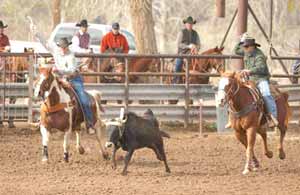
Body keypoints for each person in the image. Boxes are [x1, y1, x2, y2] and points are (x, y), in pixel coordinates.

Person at [230, 33, 278, 128]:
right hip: (249, 79)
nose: (245, 48)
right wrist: (241, 41)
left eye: (246, 46)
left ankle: (272, 117)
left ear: (252, 46)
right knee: (235, 91)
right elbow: (236, 50)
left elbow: (261, 67)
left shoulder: (259, 55)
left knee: (266, 94)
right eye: (244, 46)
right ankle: (232, 118)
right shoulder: (247, 51)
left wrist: (249, 71)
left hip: (261, 79)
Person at [51, 38, 95, 130]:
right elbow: (46, 44)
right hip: (61, 78)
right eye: (61, 47)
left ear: (67, 47)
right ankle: (44, 119)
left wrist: (59, 70)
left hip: (74, 79)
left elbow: (71, 71)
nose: (63, 49)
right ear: (59, 47)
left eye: (64, 47)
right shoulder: (56, 53)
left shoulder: (71, 56)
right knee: (48, 92)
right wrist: (36, 33)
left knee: (83, 100)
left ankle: (89, 123)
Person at [173, 16, 201, 83]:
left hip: (193, 53)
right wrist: (188, 46)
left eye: (191, 24)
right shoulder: (181, 32)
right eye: (188, 23)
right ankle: (175, 80)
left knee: (201, 64)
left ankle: (202, 80)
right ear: (185, 24)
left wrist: (196, 47)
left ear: (192, 24)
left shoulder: (195, 33)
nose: (190, 25)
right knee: (178, 64)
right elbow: (178, 44)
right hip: (182, 53)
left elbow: (199, 44)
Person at [0, 20, 14, 128]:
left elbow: (8, 49)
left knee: (8, 90)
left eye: (2, 28)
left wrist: (6, 49)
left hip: (5, 66)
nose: (1, 29)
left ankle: (9, 118)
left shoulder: (5, 38)